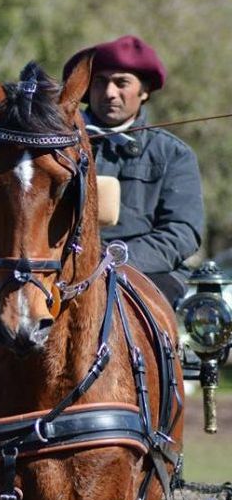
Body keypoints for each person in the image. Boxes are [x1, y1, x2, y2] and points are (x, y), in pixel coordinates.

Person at [63, 35, 205, 306]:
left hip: (148, 273)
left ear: (144, 91)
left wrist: (114, 258)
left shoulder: (174, 154)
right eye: (100, 82)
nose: (109, 93)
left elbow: (181, 232)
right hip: (63, 268)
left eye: (121, 83)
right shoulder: (58, 149)